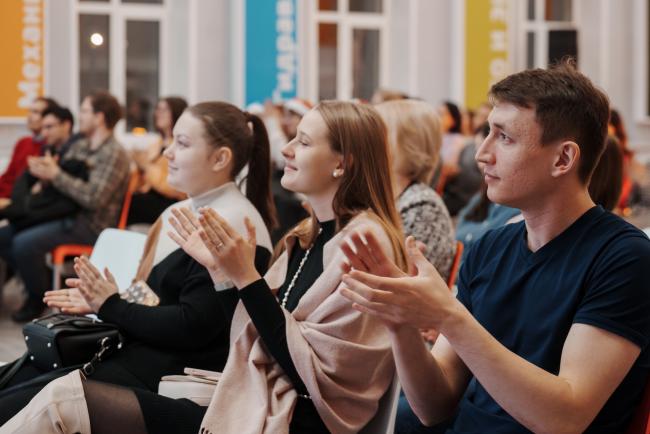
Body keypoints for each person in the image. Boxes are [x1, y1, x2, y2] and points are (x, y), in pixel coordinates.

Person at [2, 101, 408, 434]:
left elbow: (307, 375)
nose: (286, 149)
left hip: (285, 415)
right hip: (255, 394)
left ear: (342, 163)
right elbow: (256, 333)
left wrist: (240, 276)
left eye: (302, 141)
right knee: (43, 388)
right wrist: (224, 275)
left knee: (62, 399)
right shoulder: (309, 235)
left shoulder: (361, 245)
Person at [339, 62, 650, 433]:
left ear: (563, 159)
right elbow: (433, 407)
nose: (482, 154)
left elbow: (565, 418)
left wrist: (450, 317)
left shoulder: (624, 258)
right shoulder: (489, 247)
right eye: (488, 133)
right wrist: (400, 322)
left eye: (504, 138)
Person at [0, 101, 276, 425]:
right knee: (17, 379)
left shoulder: (229, 225)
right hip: (142, 353)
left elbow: (193, 327)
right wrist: (104, 300)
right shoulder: (190, 211)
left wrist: (111, 305)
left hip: (169, 375)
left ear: (220, 158)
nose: (167, 152)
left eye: (182, 143)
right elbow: (160, 298)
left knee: (22, 401)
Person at [0, 91, 131, 322]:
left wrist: (55, 175)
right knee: (4, 235)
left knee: (23, 244)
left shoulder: (114, 153)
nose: (80, 116)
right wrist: (44, 175)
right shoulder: (81, 145)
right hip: (63, 214)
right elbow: (60, 177)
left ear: (100, 117)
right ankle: (43, 281)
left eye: (85, 111)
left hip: (90, 224)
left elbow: (94, 198)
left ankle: (38, 299)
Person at [375, 99, 455, 281]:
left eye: (377, 133)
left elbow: (406, 285)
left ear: (407, 145)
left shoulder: (423, 206)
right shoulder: (388, 197)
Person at [127, 97, 188, 226]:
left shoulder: (182, 146)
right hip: (151, 196)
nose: (158, 113)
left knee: (129, 204)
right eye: (158, 109)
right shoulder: (155, 144)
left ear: (176, 113)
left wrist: (146, 166)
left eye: (165, 110)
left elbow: (175, 188)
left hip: (169, 201)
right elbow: (141, 183)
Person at [0, 97, 59, 201]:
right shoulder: (22, 143)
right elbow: (8, 177)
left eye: (36, 112)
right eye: (30, 111)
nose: (29, 116)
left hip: (25, 201)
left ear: (48, 117)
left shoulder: (51, 148)